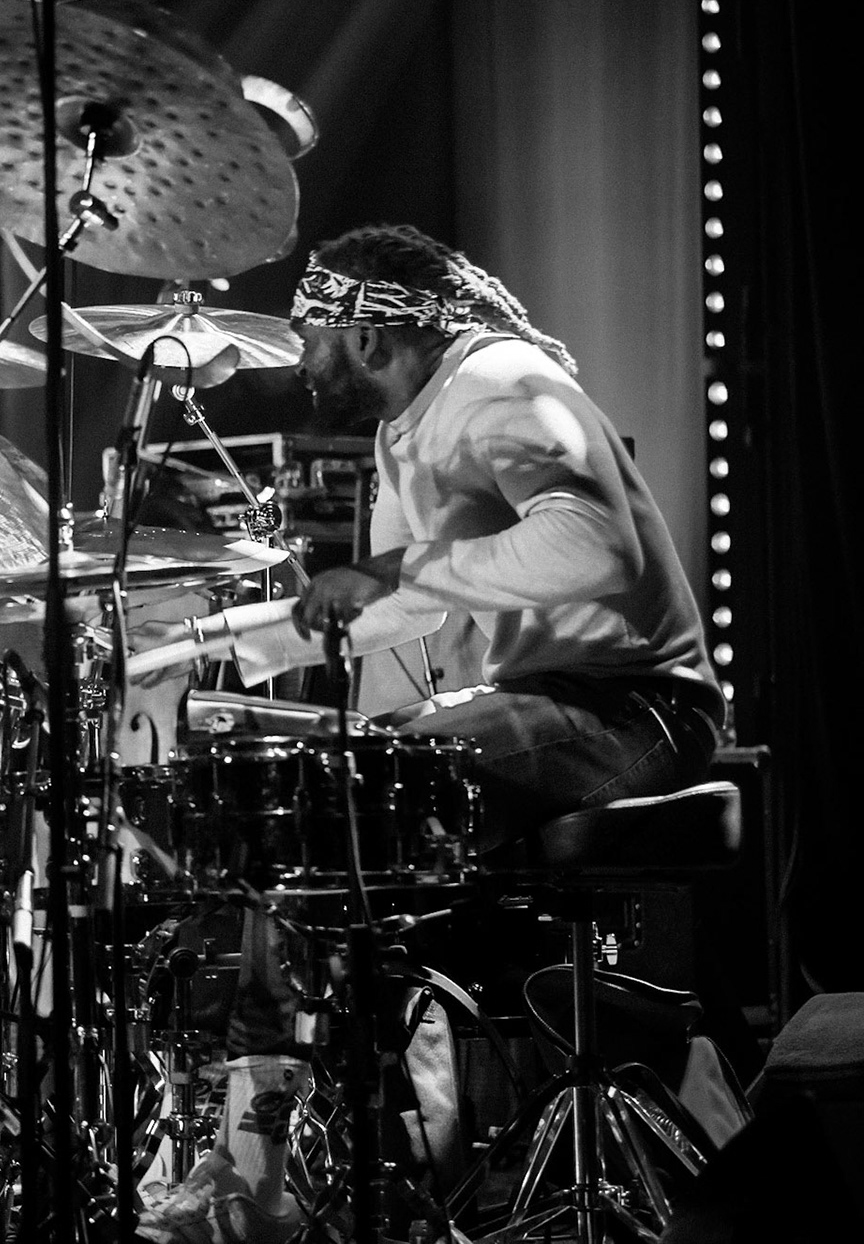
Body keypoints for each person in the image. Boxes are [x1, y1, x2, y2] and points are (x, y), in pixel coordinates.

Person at [133, 223, 724, 1244]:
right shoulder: (404, 426)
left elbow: (594, 547)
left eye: (309, 331)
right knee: (327, 809)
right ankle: (339, 1163)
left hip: (639, 707)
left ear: (365, 330)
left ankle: (259, 1171)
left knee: (342, 804)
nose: (298, 354)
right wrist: (202, 638)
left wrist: (397, 573)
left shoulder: (499, 381)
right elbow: (403, 601)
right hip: (559, 700)